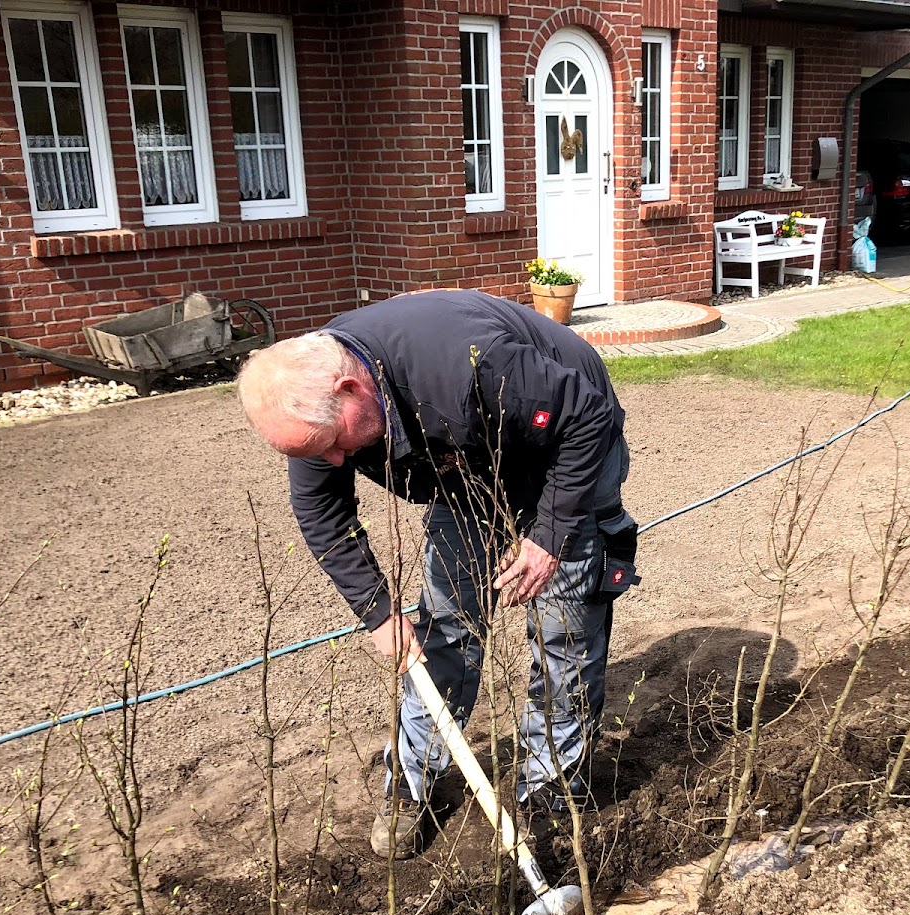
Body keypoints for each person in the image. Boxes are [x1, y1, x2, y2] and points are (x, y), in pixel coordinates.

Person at [237, 289, 638, 858]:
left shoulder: (469, 363)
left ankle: (551, 789)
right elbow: (323, 515)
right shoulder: (310, 411)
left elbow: (585, 416)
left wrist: (549, 536)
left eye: (331, 444)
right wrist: (377, 612)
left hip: (566, 442)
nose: (332, 462)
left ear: (351, 390)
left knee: (564, 631)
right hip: (461, 458)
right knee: (443, 631)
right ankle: (411, 782)